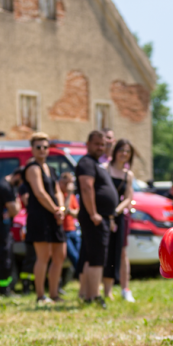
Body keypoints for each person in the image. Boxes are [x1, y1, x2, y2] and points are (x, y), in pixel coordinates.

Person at [76, 130, 118, 308]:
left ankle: (87, 294)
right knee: (97, 258)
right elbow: (87, 188)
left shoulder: (97, 163)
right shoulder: (86, 163)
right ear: (88, 144)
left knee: (91, 256)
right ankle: (94, 296)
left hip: (101, 217)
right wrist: (94, 214)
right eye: (97, 144)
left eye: (103, 144)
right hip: (95, 218)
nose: (100, 147)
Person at [24, 133, 66, 304]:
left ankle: (54, 294)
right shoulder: (32, 168)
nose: (42, 150)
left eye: (45, 147)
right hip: (39, 217)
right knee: (44, 256)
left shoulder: (51, 168)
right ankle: (41, 295)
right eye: (38, 147)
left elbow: (57, 191)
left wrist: (62, 208)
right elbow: (40, 193)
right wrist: (56, 209)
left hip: (55, 216)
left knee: (60, 256)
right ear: (32, 149)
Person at [103, 139, 135, 303]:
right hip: (104, 215)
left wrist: (116, 211)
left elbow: (129, 197)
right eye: (121, 150)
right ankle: (105, 290)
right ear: (115, 151)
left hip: (119, 215)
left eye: (127, 151)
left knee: (122, 252)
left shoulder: (128, 174)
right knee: (105, 252)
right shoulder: (105, 169)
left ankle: (125, 289)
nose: (124, 154)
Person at [0, 167, 23, 296]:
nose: (20, 185)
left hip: (4, 226)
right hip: (0, 227)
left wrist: (16, 205)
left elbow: (15, 208)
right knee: (3, 258)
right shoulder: (5, 187)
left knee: (7, 257)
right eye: (21, 181)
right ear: (17, 176)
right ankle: (2, 290)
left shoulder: (9, 186)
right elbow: (15, 210)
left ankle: (7, 288)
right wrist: (17, 203)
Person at [59, 171, 81, 270]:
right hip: (63, 231)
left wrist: (69, 211)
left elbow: (77, 213)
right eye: (67, 183)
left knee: (80, 254)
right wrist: (68, 194)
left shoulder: (72, 196)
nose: (69, 186)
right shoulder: (60, 195)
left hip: (72, 229)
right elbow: (63, 209)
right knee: (74, 256)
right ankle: (82, 275)